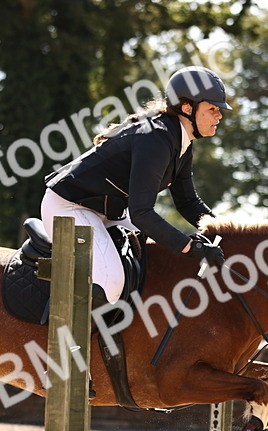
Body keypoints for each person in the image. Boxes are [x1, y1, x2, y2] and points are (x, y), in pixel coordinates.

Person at [41, 66, 230, 306]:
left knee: (153, 262)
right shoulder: (157, 139)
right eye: (212, 109)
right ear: (187, 108)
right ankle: (68, 341)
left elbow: (188, 202)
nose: (219, 116)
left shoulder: (181, 142)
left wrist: (226, 234)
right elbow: (141, 213)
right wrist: (191, 247)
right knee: (111, 282)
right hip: (69, 207)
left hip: (106, 213)